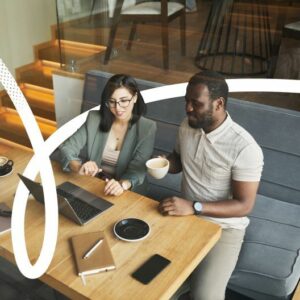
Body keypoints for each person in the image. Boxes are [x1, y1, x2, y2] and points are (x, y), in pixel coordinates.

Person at [158, 70, 264, 300]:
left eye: (196, 103)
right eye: (186, 101)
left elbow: (244, 205)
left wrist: (193, 206)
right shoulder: (188, 125)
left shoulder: (244, 148)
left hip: (223, 228)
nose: (187, 109)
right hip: (185, 218)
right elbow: (178, 159)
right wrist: (165, 163)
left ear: (219, 103)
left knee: (205, 296)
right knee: (152, 284)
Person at [59, 74, 157, 196]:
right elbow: (67, 147)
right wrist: (79, 167)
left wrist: (121, 185)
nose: (117, 108)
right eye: (112, 101)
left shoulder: (147, 128)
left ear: (135, 98)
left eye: (124, 100)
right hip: (95, 186)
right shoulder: (94, 119)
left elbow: (137, 171)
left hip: (129, 192)